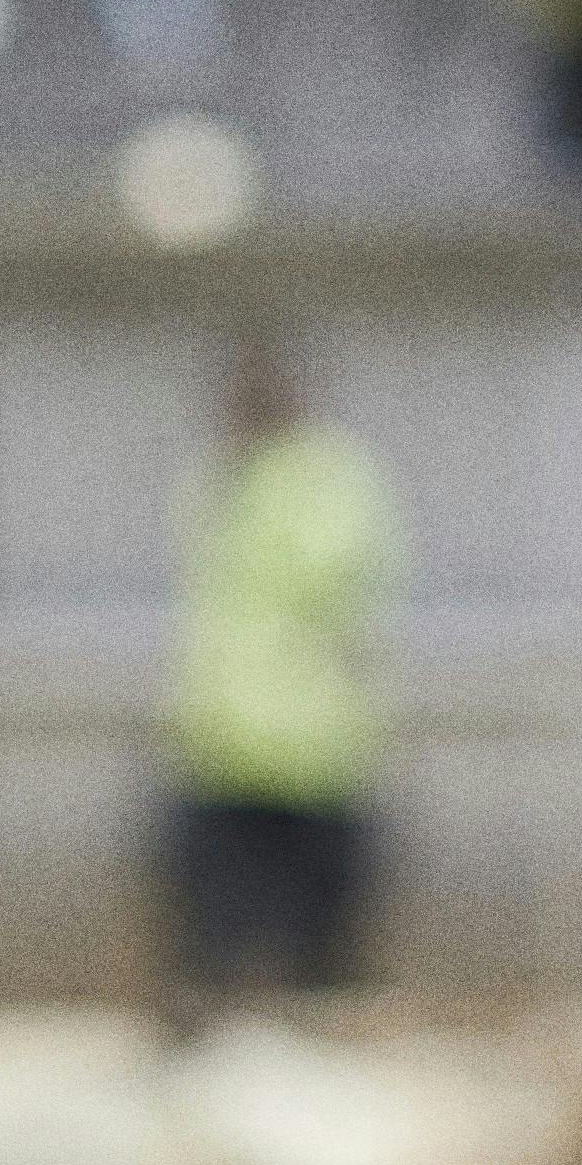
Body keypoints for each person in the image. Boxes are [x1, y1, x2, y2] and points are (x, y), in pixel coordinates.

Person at [161, 330, 403, 1017]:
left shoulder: (327, 477)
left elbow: (342, 585)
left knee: (318, 915)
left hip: (313, 737)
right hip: (221, 736)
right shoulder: (218, 477)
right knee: (215, 909)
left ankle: (317, 1019)